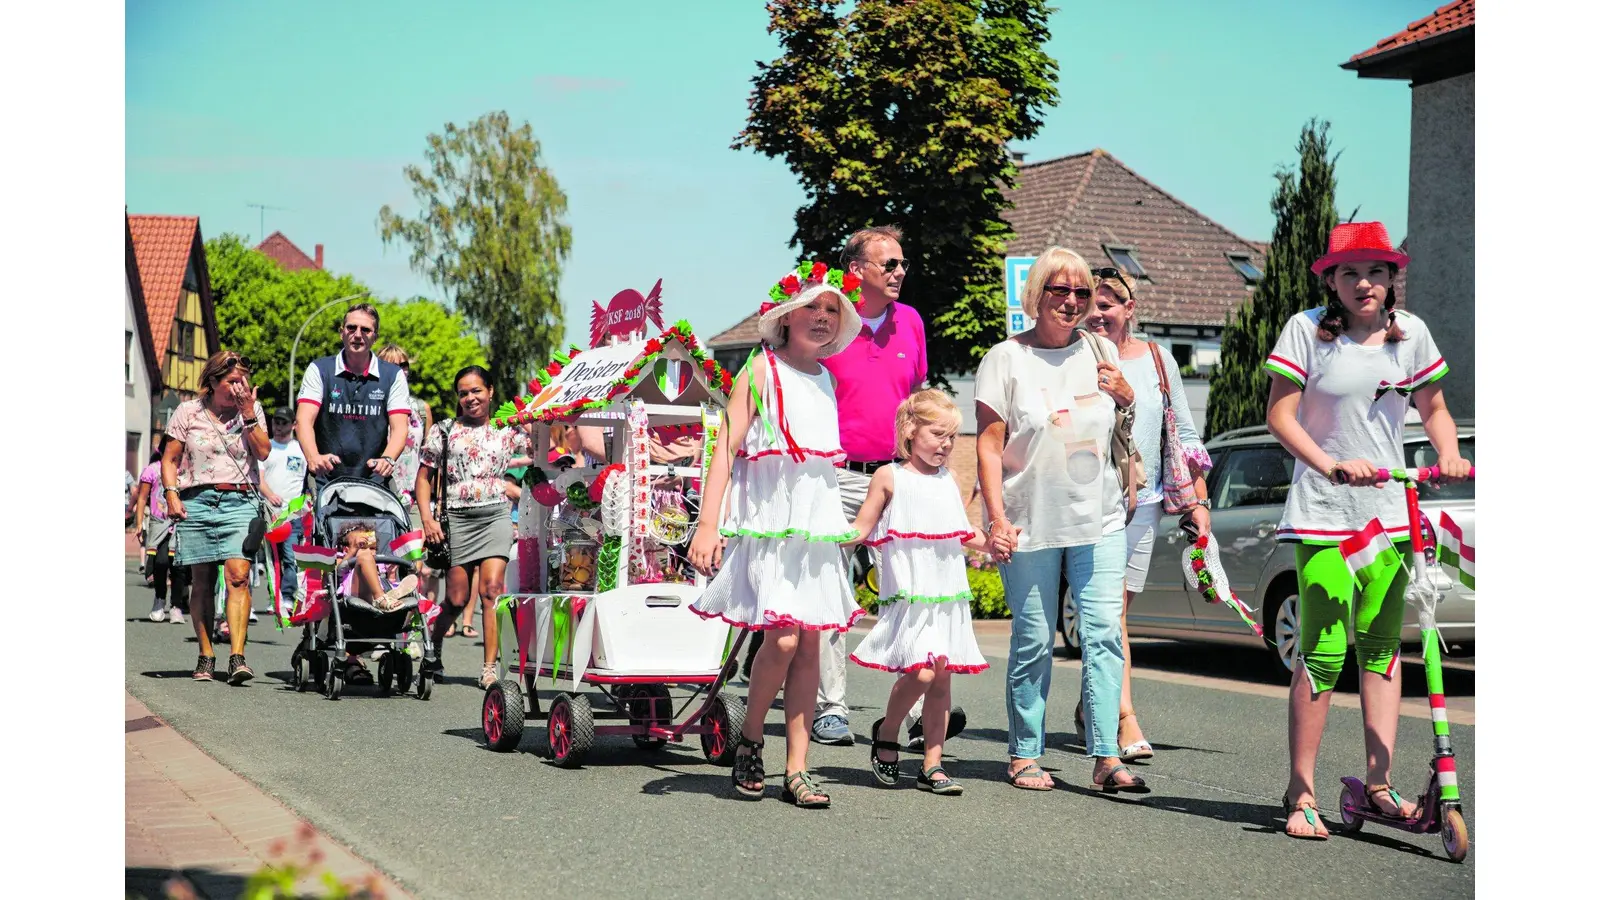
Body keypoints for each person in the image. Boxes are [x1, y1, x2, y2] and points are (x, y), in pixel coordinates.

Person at [1263, 222, 1469, 839]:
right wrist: (1329, 465)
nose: (1364, 284)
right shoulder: (1305, 330)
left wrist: (1449, 454)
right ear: (1330, 279)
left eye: (1376, 272)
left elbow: (1433, 408)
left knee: (1381, 652)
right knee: (1324, 651)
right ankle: (1301, 792)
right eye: (1349, 273)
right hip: (1324, 514)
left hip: (1388, 513)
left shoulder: (1412, 336)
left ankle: (1379, 786)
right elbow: (1278, 412)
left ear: (1391, 278)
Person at [688, 263, 864, 808]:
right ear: (786, 317)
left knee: (810, 643)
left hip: (812, 529)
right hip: (771, 526)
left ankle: (798, 768)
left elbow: (820, 468)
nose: (822, 317)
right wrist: (709, 523)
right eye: (812, 306)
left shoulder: (827, 378)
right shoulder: (760, 370)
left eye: (832, 310)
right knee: (783, 638)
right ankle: (749, 738)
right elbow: (727, 448)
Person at [974, 246, 1149, 794]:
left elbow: (1120, 423)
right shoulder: (1005, 358)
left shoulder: (1099, 349)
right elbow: (987, 444)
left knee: (1102, 637)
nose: (1073, 301)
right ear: (1036, 296)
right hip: (1029, 520)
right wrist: (995, 518)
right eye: (1061, 290)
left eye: (1081, 293)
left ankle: (1105, 756)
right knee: (1032, 638)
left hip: (1098, 517)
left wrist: (1127, 397)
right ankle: (1026, 752)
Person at [812, 225, 965, 752]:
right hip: (839, 476)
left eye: (902, 264)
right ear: (857, 270)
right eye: (890, 265)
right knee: (832, 587)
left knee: (915, 587)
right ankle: (831, 708)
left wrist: (936, 469)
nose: (901, 273)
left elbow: (920, 402)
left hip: (900, 477)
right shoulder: (827, 320)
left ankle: (920, 706)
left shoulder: (912, 323)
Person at [1083, 267, 1213, 762]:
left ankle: (1095, 700)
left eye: (1109, 303)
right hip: (1091, 501)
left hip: (1147, 502)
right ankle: (1123, 717)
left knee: (1118, 610)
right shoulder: (1075, 357)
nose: (1098, 312)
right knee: (1111, 611)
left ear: (1129, 308)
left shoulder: (1158, 359)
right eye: (1092, 303)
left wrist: (1197, 501)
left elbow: (1184, 433)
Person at [846, 390, 989, 795]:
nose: (945, 444)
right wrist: (828, 539)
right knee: (922, 671)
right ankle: (888, 732)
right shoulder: (890, 476)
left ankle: (932, 763)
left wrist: (992, 544)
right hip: (910, 591)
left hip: (946, 591)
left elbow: (962, 530)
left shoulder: (948, 479)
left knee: (941, 678)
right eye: (938, 434)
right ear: (910, 431)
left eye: (952, 437)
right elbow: (862, 526)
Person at [416, 366, 535, 690]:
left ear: (491, 391)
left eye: (476, 391)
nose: (470, 398)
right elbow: (423, 479)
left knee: (492, 591)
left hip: (496, 515)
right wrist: (427, 520)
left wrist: (534, 420)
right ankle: (434, 646)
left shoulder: (507, 430)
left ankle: (488, 669)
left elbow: (541, 449)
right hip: (457, 519)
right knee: (456, 598)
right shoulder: (443, 430)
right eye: (464, 393)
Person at [160, 351, 271, 683]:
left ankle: (237, 656)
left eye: (242, 380)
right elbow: (170, 458)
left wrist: (249, 413)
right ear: (211, 382)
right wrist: (171, 493)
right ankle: (206, 654)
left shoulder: (250, 410)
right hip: (197, 499)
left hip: (240, 498)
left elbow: (263, 452)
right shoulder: (187, 412)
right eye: (231, 381)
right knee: (203, 580)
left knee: (238, 574)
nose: (239, 387)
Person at [295, 302, 410, 487]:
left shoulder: (393, 375)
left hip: (375, 480)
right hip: (325, 480)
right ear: (342, 332)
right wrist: (313, 457)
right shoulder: (319, 369)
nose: (357, 334)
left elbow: (400, 429)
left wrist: (387, 459)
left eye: (365, 330)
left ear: (375, 337)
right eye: (351, 328)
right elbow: (303, 421)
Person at [133, 441, 190, 625]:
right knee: (161, 562)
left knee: (179, 567)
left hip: (181, 522)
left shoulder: (187, 469)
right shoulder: (152, 470)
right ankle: (159, 600)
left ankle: (176, 606)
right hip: (159, 523)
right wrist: (139, 523)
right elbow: (142, 498)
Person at [261, 410, 309, 617]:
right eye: (276, 422)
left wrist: (307, 501)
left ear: (293, 425)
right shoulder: (266, 447)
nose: (279, 426)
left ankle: (287, 597)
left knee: (290, 557)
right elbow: (259, 477)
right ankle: (274, 597)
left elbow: (309, 479)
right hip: (268, 512)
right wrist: (269, 495)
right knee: (271, 559)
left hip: (293, 513)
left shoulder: (301, 449)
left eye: (284, 422)